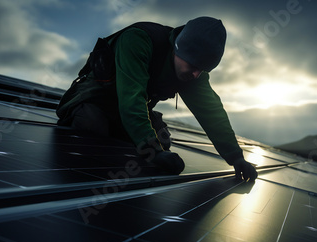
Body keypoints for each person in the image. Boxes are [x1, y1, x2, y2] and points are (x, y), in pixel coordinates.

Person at [56, 16, 257, 181]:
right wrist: (153, 150)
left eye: (202, 69)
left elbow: (212, 113)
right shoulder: (139, 40)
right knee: (93, 125)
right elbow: (132, 98)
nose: (196, 74)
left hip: (123, 112)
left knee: (163, 138)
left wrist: (236, 157)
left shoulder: (191, 73)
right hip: (93, 101)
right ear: (179, 47)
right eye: (194, 65)